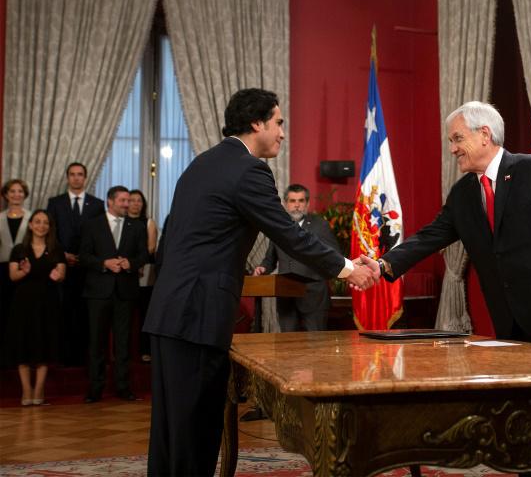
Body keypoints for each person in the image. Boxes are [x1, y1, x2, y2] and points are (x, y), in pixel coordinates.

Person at [142, 88, 379, 477]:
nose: (283, 132)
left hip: (169, 310)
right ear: (257, 123)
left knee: (170, 433)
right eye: (279, 122)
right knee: (196, 434)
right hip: (199, 315)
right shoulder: (249, 170)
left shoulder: (201, 163)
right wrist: (348, 269)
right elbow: (290, 234)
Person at [380, 101, 531, 348]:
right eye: (450, 141)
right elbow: (430, 236)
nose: (452, 149)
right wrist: (383, 264)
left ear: (485, 135)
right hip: (506, 319)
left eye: (458, 139)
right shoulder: (462, 192)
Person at [79, 185, 148, 403]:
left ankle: (123, 387)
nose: (128, 204)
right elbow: (84, 256)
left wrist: (131, 263)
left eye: (129, 200)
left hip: (125, 292)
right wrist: (104, 263)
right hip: (98, 292)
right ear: (110, 201)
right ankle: (95, 389)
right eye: (123, 200)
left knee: (123, 342)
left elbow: (143, 255)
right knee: (96, 342)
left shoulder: (137, 226)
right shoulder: (92, 225)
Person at [253, 183, 340, 331]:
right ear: (285, 203)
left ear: (307, 203)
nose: (297, 205)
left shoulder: (320, 225)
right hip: (286, 295)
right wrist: (263, 268)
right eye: (292, 201)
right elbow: (270, 259)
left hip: (313, 295)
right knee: (287, 342)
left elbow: (335, 256)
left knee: (316, 342)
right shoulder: (279, 227)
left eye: (301, 201)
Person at [5, 209, 66, 405]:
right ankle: (26, 391)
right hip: (23, 304)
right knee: (23, 345)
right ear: (30, 225)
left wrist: (57, 276)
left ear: (49, 227)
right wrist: (25, 272)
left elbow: (61, 274)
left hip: (47, 303)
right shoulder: (19, 250)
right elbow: (13, 276)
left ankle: (39, 390)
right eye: (37, 222)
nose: (41, 226)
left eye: (45, 222)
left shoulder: (56, 249)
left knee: (43, 344)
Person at [47, 162, 105, 366]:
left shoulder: (97, 204)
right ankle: (63, 356)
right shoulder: (55, 203)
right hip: (60, 267)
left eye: (80, 174)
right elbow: (50, 232)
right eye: (72, 174)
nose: (76, 178)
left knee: (84, 314)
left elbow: (99, 236)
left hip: (87, 269)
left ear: (85, 178)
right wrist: (62, 255)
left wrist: (84, 256)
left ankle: (83, 357)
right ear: (67, 178)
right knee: (63, 312)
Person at [127, 189, 158, 362]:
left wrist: (136, 263)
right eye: (132, 200)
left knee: (146, 314)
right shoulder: (121, 222)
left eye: (139, 200)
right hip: (125, 274)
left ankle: (146, 351)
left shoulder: (149, 222)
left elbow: (151, 248)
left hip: (146, 273)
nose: (135, 203)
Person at [1, 179, 32, 335]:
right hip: (2, 269)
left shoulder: (33, 218)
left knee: (22, 311)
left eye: (20, 191)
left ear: (24, 195)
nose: (16, 194)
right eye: (12, 191)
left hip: (25, 269)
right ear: (6, 195)